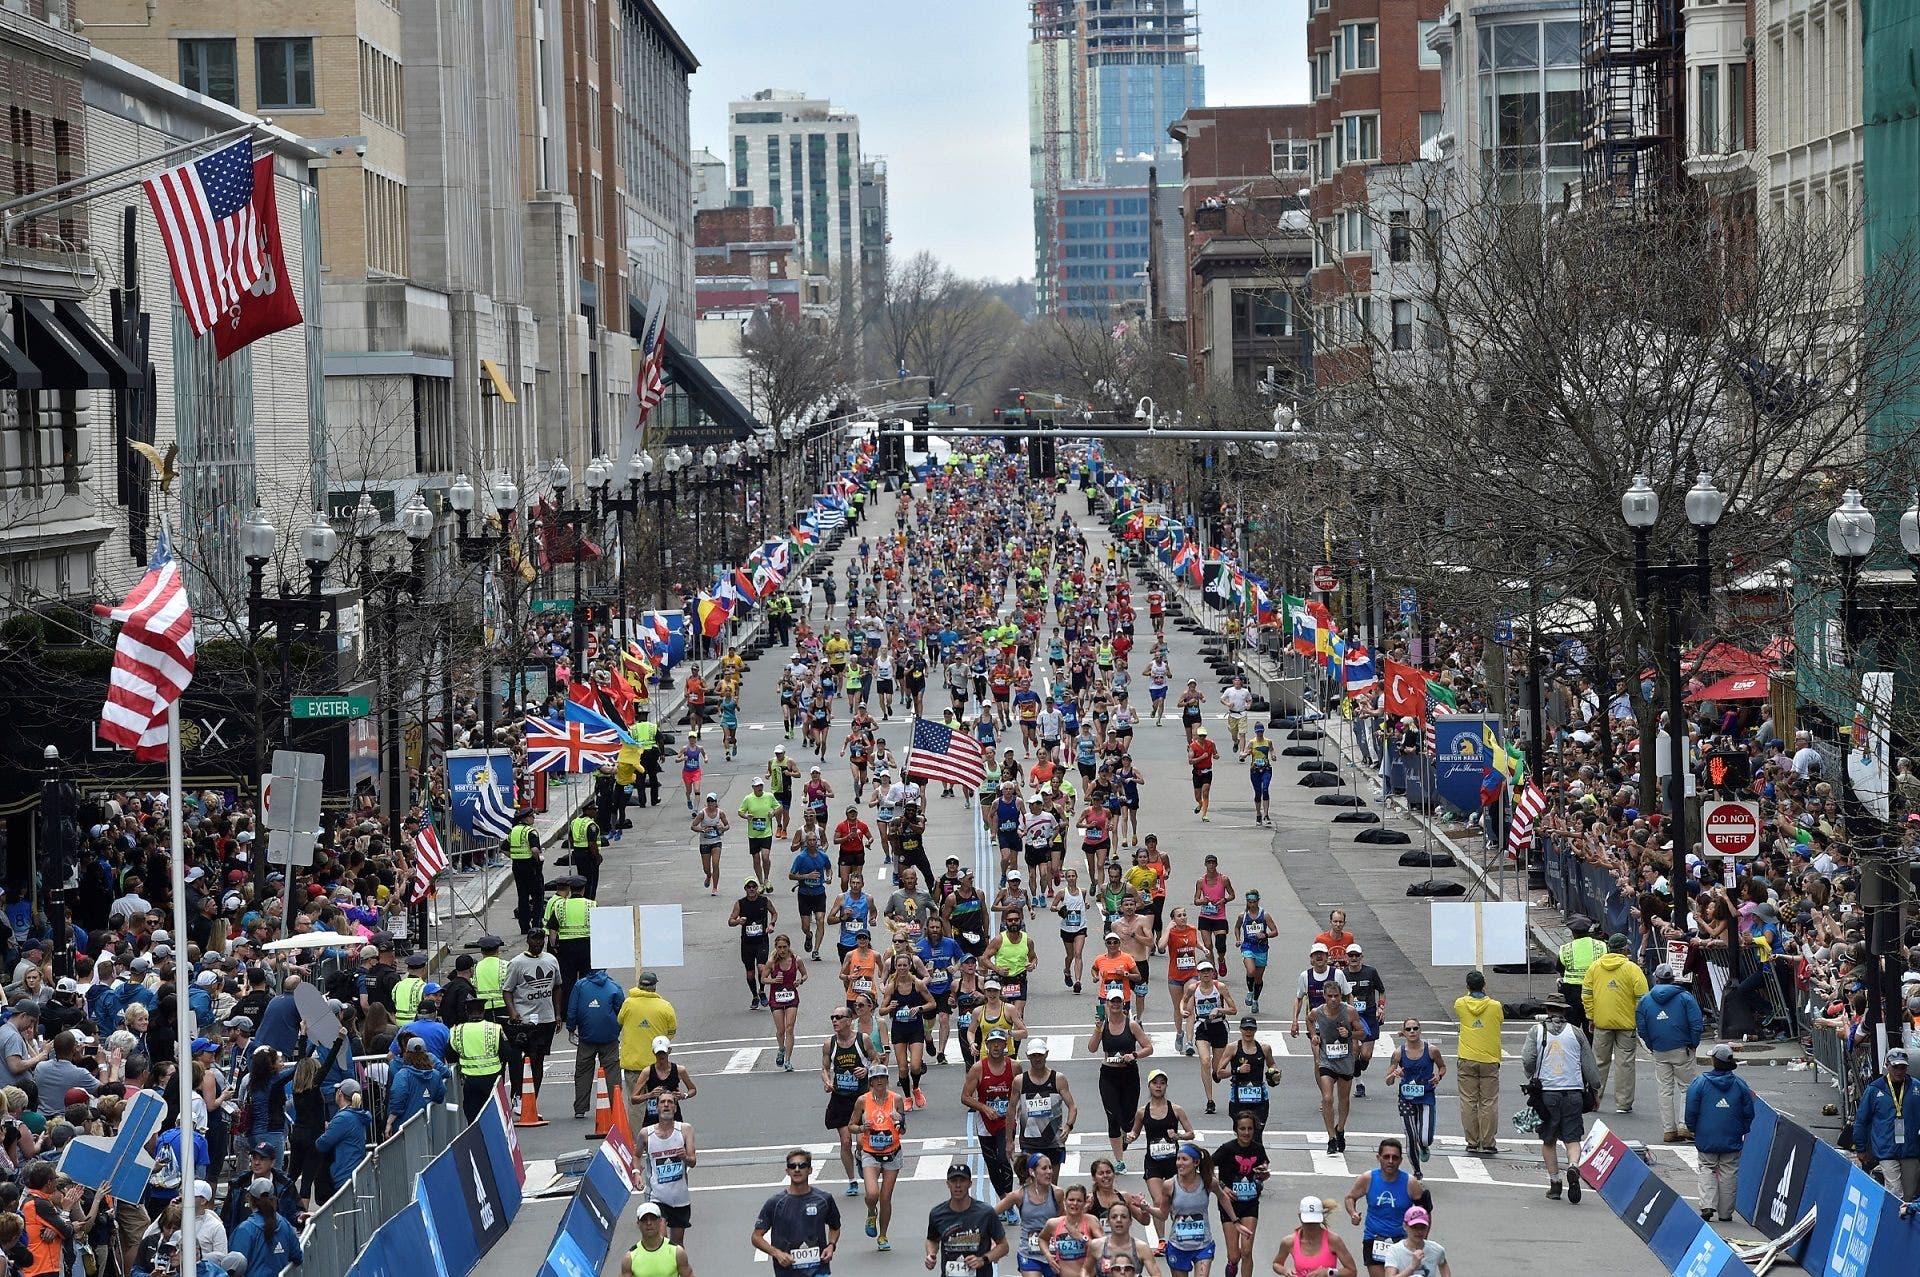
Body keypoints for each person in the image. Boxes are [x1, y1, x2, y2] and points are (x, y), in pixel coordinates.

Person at [1521, 994, 1599, 1202]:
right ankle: (1573, 1166)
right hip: (1573, 1092)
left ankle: (1555, 1183)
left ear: (1547, 1010)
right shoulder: (1576, 1032)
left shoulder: (1536, 1031)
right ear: (1564, 1011)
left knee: (1549, 1139)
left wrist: (1532, 1075)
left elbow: (1528, 1059)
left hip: (1547, 1094)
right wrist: (1595, 1088)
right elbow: (1589, 1065)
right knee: (1573, 1138)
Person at [1686, 1043, 1756, 1222]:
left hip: (1707, 1136)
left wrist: (1693, 1128)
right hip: (1731, 1136)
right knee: (1729, 1171)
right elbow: (1749, 1112)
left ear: (1714, 1061)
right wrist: (1742, 1129)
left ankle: (1707, 1204)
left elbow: (1691, 1110)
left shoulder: (1700, 1083)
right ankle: (1726, 1213)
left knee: (1707, 1167)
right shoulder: (1740, 1084)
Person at [1635, 963, 1704, 1142]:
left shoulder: (1645, 1000)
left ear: (1656, 979)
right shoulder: (1685, 997)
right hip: (1683, 1047)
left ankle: (1669, 1129)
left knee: (1665, 1090)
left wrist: (1652, 1046)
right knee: (1687, 1087)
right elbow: (1696, 1023)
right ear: (1673, 978)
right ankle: (1684, 1126)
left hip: (1660, 1049)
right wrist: (1693, 1043)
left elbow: (1642, 1028)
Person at [1581, 932, 1648, 1114]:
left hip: (1602, 1022)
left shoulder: (1595, 967)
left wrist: (1591, 1016)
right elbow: (1642, 998)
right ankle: (1623, 1103)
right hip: (1627, 1024)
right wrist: (1637, 1018)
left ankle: (1594, 1100)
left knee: (1598, 1063)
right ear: (1625, 949)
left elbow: (1587, 994)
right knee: (1625, 1063)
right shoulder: (1632, 969)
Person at [1089, 987, 1153, 1171]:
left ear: (1123, 1004)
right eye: (1112, 1002)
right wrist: (1097, 1029)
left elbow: (1148, 1047)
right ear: (1107, 1004)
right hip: (1108, 1075)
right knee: (1113, 1117)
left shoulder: (1131, 1025)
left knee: (1128, 1119)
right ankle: (1119, 1161)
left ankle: (1126, 1133)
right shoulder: (1103, 1025)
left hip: (1129, 1074)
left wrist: (1134, 1055)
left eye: (1119, 1001)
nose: (1116, 1005)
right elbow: (1092, 1048)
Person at [752, 1147, 841, 1277]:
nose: (797, 1169)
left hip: (818, 1270)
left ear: (810, 1170)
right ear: (787, 1171)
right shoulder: (775, 1203)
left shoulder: (824, 1199)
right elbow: (756, 1237)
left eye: (802, 1165)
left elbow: (835, 1227)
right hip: (787, 1272)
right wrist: (777, 1253)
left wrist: (831, 1245)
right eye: (792, 1166)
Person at [1342, 1139, 1426, 1277]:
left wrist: (1422, 1240)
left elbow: (1424, 1213)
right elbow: (1350, 1197)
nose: (1390, 1161)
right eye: (1386, 1157)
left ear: (1400, 1160)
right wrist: (1353, 1213)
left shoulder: (1410, 1183)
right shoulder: (1368, 1178)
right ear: (1378, 1158)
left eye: (1395, 1157)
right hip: (1374, 1239)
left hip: (1402, 1241)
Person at [821, 1005, 879, 1197]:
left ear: (849, 1020)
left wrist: (867, 1069)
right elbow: (824, 1068)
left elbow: (876, 1059)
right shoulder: (829, 1043)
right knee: (845, 1141)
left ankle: (861, 1156)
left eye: (838, 1017)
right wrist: (828, 1081)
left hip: (861, 1098)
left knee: (861, 1141)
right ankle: (852, 1180)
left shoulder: (863, 1039)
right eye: (832, 1017)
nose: (834, 1021)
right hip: (840, 1099)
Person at [1153, 1143, 1235, 1277]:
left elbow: (1222, 1196)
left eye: (1184, 1159)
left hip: (1203, 1245)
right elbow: (1162, 1215)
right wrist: (1146, 1207)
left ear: (1196, 1162)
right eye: (1178, 1159)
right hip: (1178, 1246)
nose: (1180, 1163)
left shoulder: (1208, 1181)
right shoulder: (1169, 1185)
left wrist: (1235, 1220)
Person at [502, 928, 562, 1110]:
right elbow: (507, 990)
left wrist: (558, 1014)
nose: (537, 943)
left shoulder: (551, 960)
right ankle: (518, 1095)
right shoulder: (517, 963)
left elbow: (557, 987)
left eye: (540, 939)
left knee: (539, 1060)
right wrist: (513, 1012)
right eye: (534, 939)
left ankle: (532, 1098)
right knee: (527, 1058)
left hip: (546, 1019)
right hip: (525, 1021)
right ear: (528, 940)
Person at [848, 1065, 906, 1251]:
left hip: (892, 1152)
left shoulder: (896, 1099)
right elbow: (851, 1126)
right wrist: (861, 1128)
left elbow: (903, 1129)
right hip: (870, 1153)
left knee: (886, 1197)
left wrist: (899, 1121)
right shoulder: (862, 1101)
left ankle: (883, 1235)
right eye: (876, 1079)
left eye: (883, 1078)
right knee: (872, 1194)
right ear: (871, 1082)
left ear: (887, 1080)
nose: (879, 1081)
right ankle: (871, 1212)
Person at [1852, 1046, 1920, 1204]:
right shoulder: (1875, 1089)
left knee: (1910, 1194)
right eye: (1895, 1067)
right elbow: (1862, 1120)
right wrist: (1860, 1148)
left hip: (1910, 1149)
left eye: (1902, 1067)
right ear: (1887, 1066)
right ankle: (1895, 1224)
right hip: (1886, 1149)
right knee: (1895, 1192)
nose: (1899, 1071)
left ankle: (1905, 1224)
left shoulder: (1916, 1087)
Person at [961, 1028, 1019, 1197]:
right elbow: (965, 1097)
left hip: (1006, 1122)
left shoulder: (1014, 1067)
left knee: (1003, 1158)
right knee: (992, 1163)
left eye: (999, 1043)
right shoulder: (978, 1069)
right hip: (985, 1123)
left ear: (1004, 1045)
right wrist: (984, 1108)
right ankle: (1003, 1199)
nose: (995, 1046)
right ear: (986, 1046)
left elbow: (1020, 1092)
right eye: (992, 1043)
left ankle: (1007, 1198)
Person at [1129, 1067, 1195, 1214]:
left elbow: (1191, 1133)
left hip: (1175, 1162)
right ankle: (1161, 1238)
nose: (1158, 1086)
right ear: (1149, 1086)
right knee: (1159, 1202)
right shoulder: (1142, 1112)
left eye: (1162, 1083)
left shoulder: (1176, 1109)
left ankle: (1177, 1233)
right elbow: (1135, 1131)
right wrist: (1131, 1137)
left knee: (1177, 1201)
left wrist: (1179, 1136)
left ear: (1166, 1086)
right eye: (1155, 1082)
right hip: (1153, 1162)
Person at [1382, 1020, 1446, 1173]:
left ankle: (1424, 1146)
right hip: (1406, 1099)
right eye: (1408, 1029)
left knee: (1425, 1138)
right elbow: (1388, 1081)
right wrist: (1394, 1074)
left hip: (1426, 1097)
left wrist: (1438, 1076)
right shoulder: (1398, 1053)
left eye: (1415, 1028)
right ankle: (1417, 1172)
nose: (1412, 1031)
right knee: (1411, 1136)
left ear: (1420, 1030)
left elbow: (1442, 1067)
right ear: (1403, 1032)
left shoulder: (1432, 1050)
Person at [1451, 971, 1503, 1155]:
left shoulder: (1461, 1003)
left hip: (1466, 1057)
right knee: (1488, 1102)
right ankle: (1488, 1142)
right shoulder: (1495, 1006)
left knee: (1468, 1101)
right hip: (1489, 1058)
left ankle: (1472, 1141)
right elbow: (1500, 1021)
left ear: (1467, 987)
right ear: (1484, 985)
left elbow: (1462, 1006)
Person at [1212, 1111, 1270, 1277]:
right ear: (1236, 1130)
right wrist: (1222, 1187)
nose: (1246, 1132)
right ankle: (1231, 1267)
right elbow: (1206, 1167)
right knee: (1234, 1255)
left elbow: (1264, 1170)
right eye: (1242, 1129)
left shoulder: (1258, 1149)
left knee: (1246, 1251)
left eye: (1250, 1129)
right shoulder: (1227, 1149)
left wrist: (1263, 1175)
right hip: (1229, 1205)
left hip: (1250, 1204)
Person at [1010, 1040, 1077, 1181]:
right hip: (1029, 1143)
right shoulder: (1019, 1081)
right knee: (1029, 1186)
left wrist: (1068, 1126)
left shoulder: (1058, 1079)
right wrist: (1008, 1140)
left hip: (1053, 1142)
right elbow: (1011, 1111)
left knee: (1051, 1186)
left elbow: (1072, 1107)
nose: (1037, 1059)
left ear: (1046, 1054)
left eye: (1040, 1055)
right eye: (1033, 1055)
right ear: (1028, 1056)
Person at [925, 1162, 1008, 1274]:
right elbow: (932, 1239)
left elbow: (1003, 1246)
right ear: (947, 1184)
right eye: (954, 1181)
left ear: (970, 1184)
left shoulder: (986, 1213)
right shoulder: (937, 1214)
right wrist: (931, 1255)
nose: (958, 1185)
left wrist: (983, 1259)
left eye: (962, 1181)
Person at [1310, 983, 1364, 1154]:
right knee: (1327, 1098)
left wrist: (1349, 1034)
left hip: (1345, 1060)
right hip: (1327, 1060)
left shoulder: (1349, 1011)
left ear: (1341, 996)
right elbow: (1309, 1020)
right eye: (1330, 996)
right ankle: (1331, 1138)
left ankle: (1340, 1129)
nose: (1333, 999)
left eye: (1336, 996)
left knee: (1344, 1099)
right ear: (1324, 997)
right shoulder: (1317, 1011)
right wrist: (1314, 1035)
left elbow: (1362, 1033)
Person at [565, 966, 623, 1121]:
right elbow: (622, 1011)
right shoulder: (614, 987)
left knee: (583, 1072)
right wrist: (616, 1029)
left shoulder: (580, 985)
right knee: (612, 1071)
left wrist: (571, 1029)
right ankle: (615, 1105)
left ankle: (580, 1108)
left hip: (586, 1037)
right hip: (609, 1037)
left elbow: (572, 1009)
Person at [1183, 960, 1236, 1115]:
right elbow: (1183, 1001)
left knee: (1217, 1069)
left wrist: (1218, 1010)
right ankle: (1210, 1100)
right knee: (1204, 1061)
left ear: (1213, 972)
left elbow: (1233, 1010)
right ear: (1198, 974)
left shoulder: (1220, 988)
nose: (1205, 974)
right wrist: (1182, 1011)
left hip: (1219, 1027)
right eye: (1202, 971)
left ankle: (1216, 1073)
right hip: (1203, 1028)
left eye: (1208, 971)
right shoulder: (1194, 988)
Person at [994, 1153, 1061, 1274]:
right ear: (1032, 1172)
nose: (1049, 1172)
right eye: (1044, 1168)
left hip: (1052, 1252)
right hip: (1028, 1254)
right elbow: (991, 1215)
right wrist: (994, 1240)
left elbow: (1065, 1220)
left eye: (1050, 1168)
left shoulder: (1057, 1193)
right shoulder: (1019, 1195)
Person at [642, 1094, 696, 1246]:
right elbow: (636, 1155)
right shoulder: (646, 1134)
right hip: (656, 1196)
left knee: (677, 1246)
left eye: (670, 1102)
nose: (666, 1105)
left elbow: (692, 1162)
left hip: (680, 1198)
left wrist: (685, 1157)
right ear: (657, 1107)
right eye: (662, 1102)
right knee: (662, 1242)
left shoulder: (686, 1130)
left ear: (675, 1107)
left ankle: (680, 1270)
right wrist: (635, 1174)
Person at [617, 971, 677, 1097]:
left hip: (633, 1063)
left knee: (636, 1101)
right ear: (654, 987)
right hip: (657, 1063)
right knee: (658, 1101)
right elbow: (671, 1032)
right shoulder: (665, 1006)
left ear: (639, 985)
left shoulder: (628, 1003)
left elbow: (620, 1021)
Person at [228, 1178, 303, 1277]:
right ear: (273, 1199)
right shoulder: (284, 1224)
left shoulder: (245, 1229)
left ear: (249, 1198)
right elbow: (298, 1256)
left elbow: (233, 1268)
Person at [1218, 1015, 1281, 1131]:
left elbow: (1272, 1064)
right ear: (1240, 1029)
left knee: (1257, 1134)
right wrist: (1237, 1070)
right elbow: (1219, 1073)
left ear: (1255, 1030)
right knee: (1242, 1135)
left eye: (1251, 1029)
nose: (1248, 1032)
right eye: (1245, 1028)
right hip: (1238, 1097)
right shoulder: (1232, 1048)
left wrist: (1275, 1073)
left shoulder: (1264, 1048)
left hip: (1259, 1097)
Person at [448, 1000, 505, 1121]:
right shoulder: (494, 1028)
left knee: (473, 1117)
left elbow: (450, 1055)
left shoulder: (457, 1031)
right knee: (494, 1116)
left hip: (470, 1080)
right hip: (492, 1079)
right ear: (483, 1011)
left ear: (467, 1013)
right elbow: (506, 1054)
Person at [1276, 1196, 1358, 1277]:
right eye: (1307, 1222)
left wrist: (1329, 1273)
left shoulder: (1333, 1240)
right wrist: (1285, 1271)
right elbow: (1277, 1264)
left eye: (1315, 1222)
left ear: (1321, 1218)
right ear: (1300, 1217)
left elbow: (1352, 1271)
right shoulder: (1289, 1242)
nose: (1311, 1226)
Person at [729, 879, 779, 1010]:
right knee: (750, 973)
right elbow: (730, 921)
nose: (751, 889)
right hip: (747, 943)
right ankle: (754, 996)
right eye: (749, 887)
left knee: (762, 968)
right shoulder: (740, 903)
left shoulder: (764, 901)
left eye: (754, 886)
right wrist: (738, 921)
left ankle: (762, 991)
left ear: (757, 888)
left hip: (761, 941)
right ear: (745, 888)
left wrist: (771, 924)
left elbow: (774, 913)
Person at [762, 934, 807, 1071]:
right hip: (776, 998)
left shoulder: (796, 960)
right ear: (776, 947)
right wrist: (773, 981)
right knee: (781, 1030)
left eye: (785, 947)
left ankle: (788, 1060)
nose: (782, 950)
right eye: (779, 947)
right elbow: (763, 979)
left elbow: (805, 975)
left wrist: (800, 980)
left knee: (789, 1028)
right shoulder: (771, 962)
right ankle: (781, 1048)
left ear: (789, 947)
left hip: (792, 997)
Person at [1556, 916, 1605, 1037]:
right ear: (1589, 929)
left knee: (1571, 1030)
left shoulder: (1565, 949)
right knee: (1591, 1029)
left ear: (1572, 932)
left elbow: (1560, 969)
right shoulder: (1601, 946)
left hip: (1572, 992)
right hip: (1594, 990)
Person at [632, 1038, 698, 1126]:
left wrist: (684, 1095)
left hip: (673, 1116)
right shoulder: (647, 1072)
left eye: (663, 1052)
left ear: (669, 1051)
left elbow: (693, 1089)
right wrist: (650, 1095)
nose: (661, 1055)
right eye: (658, 1053)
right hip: (653, 1118)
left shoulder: (679, 1070)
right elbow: (634, 1098)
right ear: (653, 1053)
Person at [505, 808, 544, 936]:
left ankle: (524, 926)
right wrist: (538, 860)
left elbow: (503, 848)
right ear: (526, 818)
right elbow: (534, 850)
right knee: (537, 896)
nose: (534, 819)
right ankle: (537, 924)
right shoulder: (531, 832)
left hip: (517, 865)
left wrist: (514, 856)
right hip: (531, 866)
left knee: (523, 897)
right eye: (532, 816)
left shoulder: (513, 831)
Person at [628, 1201, 693, 1277]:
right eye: (644, 1219)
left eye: (653, 1219)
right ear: (638, 1224)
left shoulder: (677, 1253)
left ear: (660, 1221)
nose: (649, 1223)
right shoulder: (630, 1258)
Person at [1235, 891, 1275, 1014]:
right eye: (1249, 902)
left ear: (1258, 900)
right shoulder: (1243, 915)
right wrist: (1238, 939)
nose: (1251, 904)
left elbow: (1275, 931)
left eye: (1254, 901)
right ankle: (1250, 991)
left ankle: (1255, 1000)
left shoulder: (1265, 915)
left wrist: (1265, 934)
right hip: (1248, 946)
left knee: (1258, 979)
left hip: (1261, 948)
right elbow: (1237, 927)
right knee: (1251, 971)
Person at [1380, 1206, 1448, 1277]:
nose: (1419, 1231)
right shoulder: (1394, 1251)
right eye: (1414, 1227)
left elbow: (1443, 1264)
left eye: (1423, 1227)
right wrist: (1412, 1267)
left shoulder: (1436, 1249)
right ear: (1405, 1226)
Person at [690, 794, 729, 898]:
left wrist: (723, 828)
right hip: (704, 843)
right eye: (709, 801)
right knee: (706, 868)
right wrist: (703, 830)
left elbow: (727, 825)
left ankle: (715, 888)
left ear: (716, 802)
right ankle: (708, 875)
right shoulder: (702, 813)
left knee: (715, 863)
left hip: (716, 841)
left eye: (712, 801)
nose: (711, 804)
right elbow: (693, 826)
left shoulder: (720, 813)